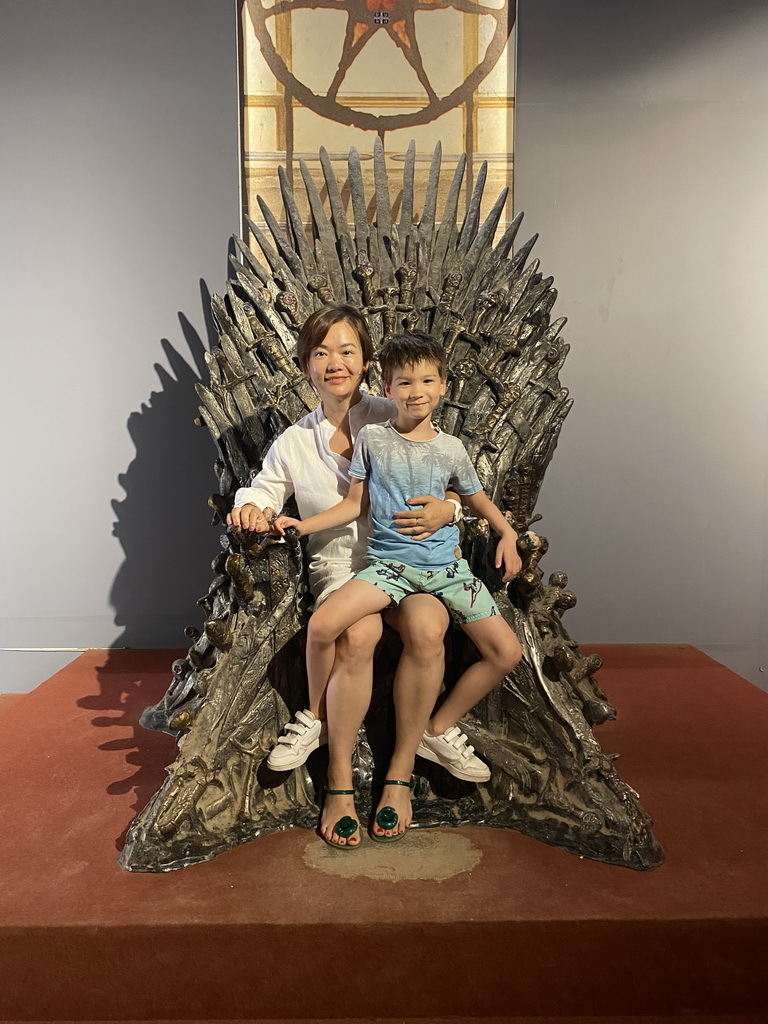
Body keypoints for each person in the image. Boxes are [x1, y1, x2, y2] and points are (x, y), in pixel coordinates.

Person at [227, 305, 489, 848]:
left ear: (367, 361)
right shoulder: (295, 441)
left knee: (427, 629)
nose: (334, 363)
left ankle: (400, 773)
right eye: (321, 353)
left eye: (346, 350)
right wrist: (251, 506)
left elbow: (450, 475)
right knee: (359, 632)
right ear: (306, 365)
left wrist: (452, 511)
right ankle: (338, 778)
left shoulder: (394, 409)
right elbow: (264, 487)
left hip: (413, 560)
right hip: (342, 565)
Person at [273, 330, 523, 844]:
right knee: (325, 624)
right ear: (386, 386)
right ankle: (318, 719)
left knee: (506, 652)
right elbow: (353, 505)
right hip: (388, 568)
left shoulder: (452, 447)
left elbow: (473, 497)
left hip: (447, 573)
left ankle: (433, 731)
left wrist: (507, 532)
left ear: (444, 386)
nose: (415, 390)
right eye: (404, 382)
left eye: (427, 381)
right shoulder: (373, 438)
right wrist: (302, 525)